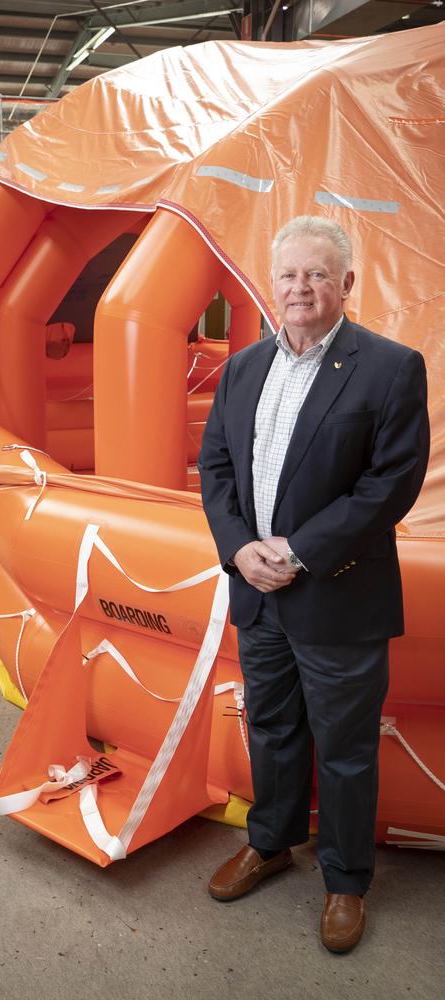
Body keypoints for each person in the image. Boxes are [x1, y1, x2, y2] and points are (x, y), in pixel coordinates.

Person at [198, 216, 430, 953]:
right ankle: (270, 843)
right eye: (289, 275)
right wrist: (238, 551)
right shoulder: (241, 369)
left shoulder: (391, 368)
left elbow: (390, 485)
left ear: (347, 285)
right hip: (257, 595)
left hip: (338, 595)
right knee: (271, 729)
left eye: (318, 274)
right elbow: (216, 472)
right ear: (272, 286)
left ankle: (346, 880)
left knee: (346, 748)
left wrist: (296, 552)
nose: (301, 288)